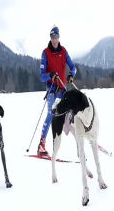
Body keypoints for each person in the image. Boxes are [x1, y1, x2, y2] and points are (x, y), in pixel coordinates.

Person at [37, 26, 76, 156]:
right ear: (50, 38)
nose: (55, 40)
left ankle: (79, 142)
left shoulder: (63, 51)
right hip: (52, 89)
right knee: (51, 114)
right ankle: (41, 144)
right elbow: (42, 76)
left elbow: (73, 67)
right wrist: (50, 75)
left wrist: (71, 75)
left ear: (59, 37)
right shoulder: (45, 53)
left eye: (56, 37)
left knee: (71, 114)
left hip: (63, 89)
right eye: (52, 37)